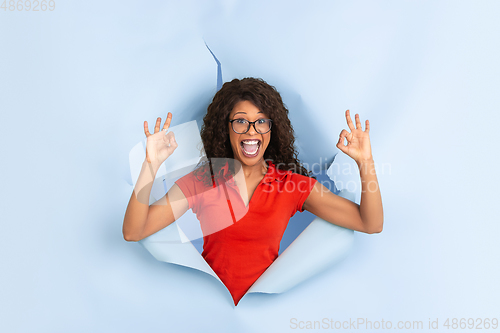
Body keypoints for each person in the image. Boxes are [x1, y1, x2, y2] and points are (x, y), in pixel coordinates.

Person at [122, 77, 384, 306]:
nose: (251, 131)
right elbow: (134, 231)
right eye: (240, 122)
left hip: (264, 314)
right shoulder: (202, 182)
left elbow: (370, 223)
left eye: (261, 122)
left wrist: (365, 162)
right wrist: (151, 165)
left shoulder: (291, 185)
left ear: (273, 128)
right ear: (226, 128)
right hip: (208, 310)